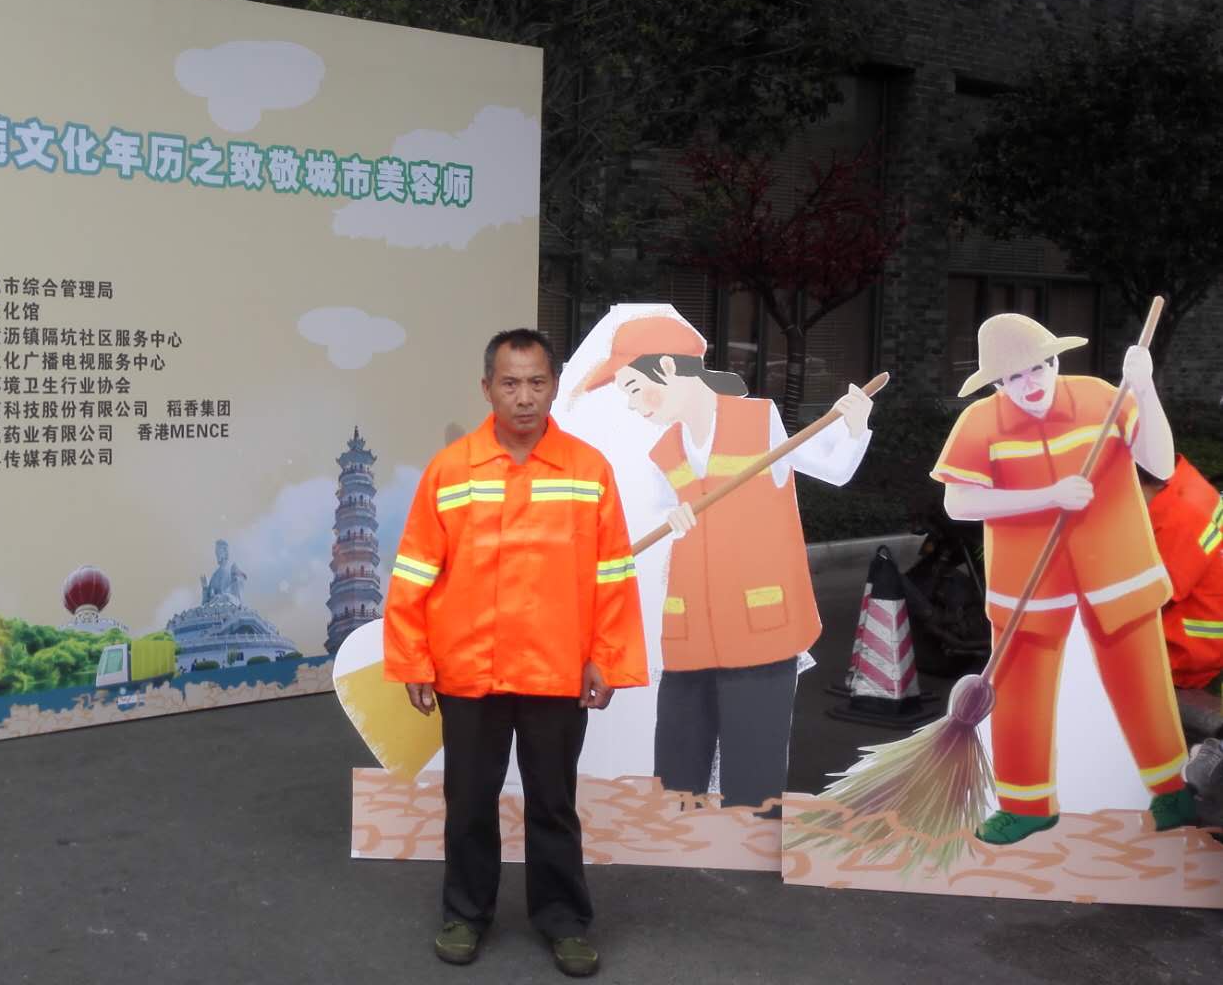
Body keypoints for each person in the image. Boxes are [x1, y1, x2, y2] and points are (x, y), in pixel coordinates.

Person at [384, 328, 646, 978]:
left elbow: (613, 574)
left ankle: (564, 921)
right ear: (487, 388)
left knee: (552, 803)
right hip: (467, 669)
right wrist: (413, 659)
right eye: (510, 383)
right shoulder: (450, 471)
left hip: (556, 669)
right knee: (469, 801)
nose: (523, 397)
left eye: (535, 382)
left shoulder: (588, 471)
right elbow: (414, 572)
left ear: (554, 387)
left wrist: (607, 657)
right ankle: (464, 914)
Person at [577, 314, 871, 815]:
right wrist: (666, 520)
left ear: (668, 368)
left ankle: (747, 850)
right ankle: (681, 852)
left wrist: (855, 424)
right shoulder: (664, 452)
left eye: (633, 389)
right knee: (678, 778)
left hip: (760, 630)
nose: (632, 405)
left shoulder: (759, 421)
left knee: (752, 786)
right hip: (688, 633)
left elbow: (835, 469)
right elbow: (645, 528)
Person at [931, 313, 1197, 845]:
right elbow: (958, 502)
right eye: (1013, 377)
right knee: (1019, 692)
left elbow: (1162, 463)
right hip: (1027, 584)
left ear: (1056, 361)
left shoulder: (1101, 397)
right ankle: (1026, 805)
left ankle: (1172, 789)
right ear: (996, 384)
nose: (1029, 384)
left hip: (1119, 572)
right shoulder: (980, 422)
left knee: (1143, 680)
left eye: (1038, 368)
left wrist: (1144, 388)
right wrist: (1046, 498)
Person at [1139, 455, 1223, 693]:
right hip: (1195, 642)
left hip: (1179, 657)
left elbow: (1144, 602)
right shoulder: (1180, 480)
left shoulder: (1179, 517)